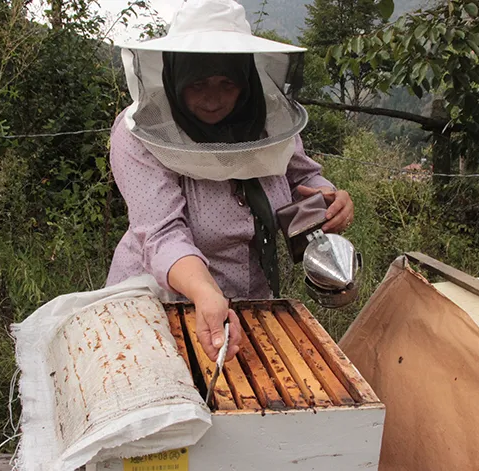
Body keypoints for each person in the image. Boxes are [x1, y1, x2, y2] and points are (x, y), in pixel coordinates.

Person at [106, 0, 354, 362]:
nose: (213, 99)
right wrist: (205, 291)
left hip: (251, 301)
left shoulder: (271, 123)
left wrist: (330, 199)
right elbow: (162, 234)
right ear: (174, 78)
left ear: (246, 80)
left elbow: (303, 176)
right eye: (197, 84)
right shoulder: (140, 133)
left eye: (227, 83)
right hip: (161, 306)